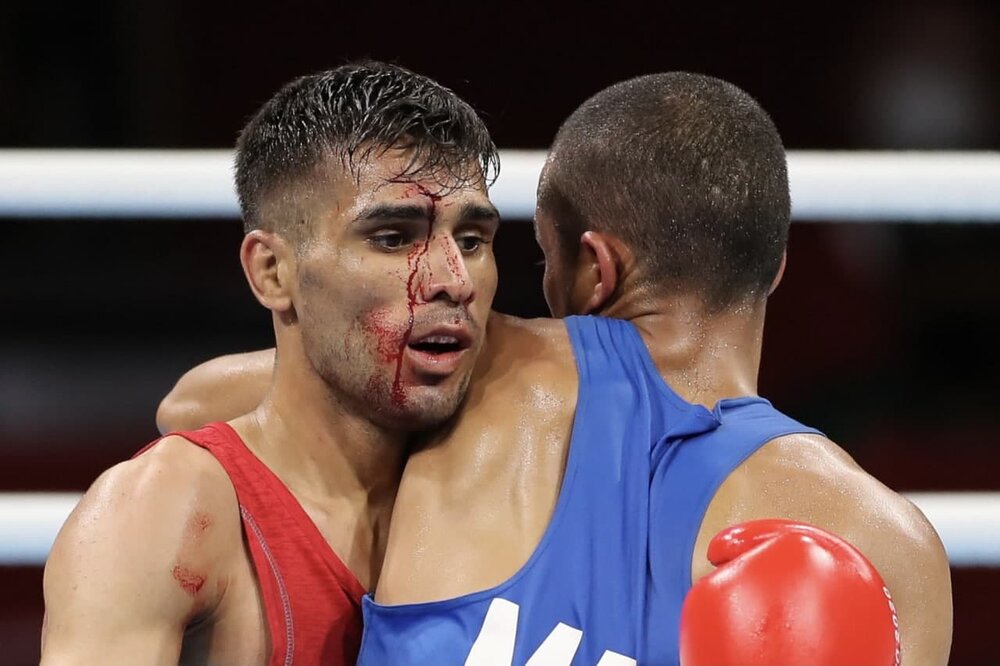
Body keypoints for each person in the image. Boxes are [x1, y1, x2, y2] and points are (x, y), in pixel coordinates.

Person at [157, 73, 953, 665]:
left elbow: (195, 409)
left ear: (592, 269)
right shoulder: (891, 542)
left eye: (540, 255)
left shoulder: (474, 377)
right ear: (775, 268)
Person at [40, 61, 501, 666]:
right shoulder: (165, 512)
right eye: (392, 238)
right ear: (272, 272)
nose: (454, 280)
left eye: (471, 240)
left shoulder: (526, 453)